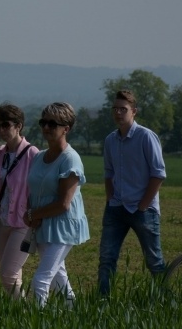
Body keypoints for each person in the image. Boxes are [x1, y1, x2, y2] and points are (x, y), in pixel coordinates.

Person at [98, 89, 166, 296]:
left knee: (153, 260)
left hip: (143, 210)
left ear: (134, 111)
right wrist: (111, 199)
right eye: (115, 109)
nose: (118, 113)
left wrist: (144, 204)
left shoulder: (146, 137)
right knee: (106, 258)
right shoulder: (110, 140)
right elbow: (108, 173)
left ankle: (166, 301)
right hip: (116, 207)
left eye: (123, 109)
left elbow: (158, 174)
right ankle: (102, 303)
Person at [23, 102, 90, 307]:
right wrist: (30, 212)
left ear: (66, 128)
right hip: (43, 224)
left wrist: (34, 214)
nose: (46, 128)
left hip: (62, 226)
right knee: (59, 278)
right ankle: (74, 315)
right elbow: (33, 188)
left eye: (53, 124)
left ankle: (36, 326)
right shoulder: (40, 156)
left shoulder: (70, 160)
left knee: (41, 280)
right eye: (44, 122)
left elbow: (63, 204)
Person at [0, 104, 39, 299]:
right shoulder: (0, 154)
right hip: (2, 221)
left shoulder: (32, 154)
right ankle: (20, 316)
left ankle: (27, 310)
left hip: (23, 222)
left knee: (7, 274)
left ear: (19, 126)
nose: (1, 130)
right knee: (13, 275)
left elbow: (39, 188)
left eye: (6, 125)